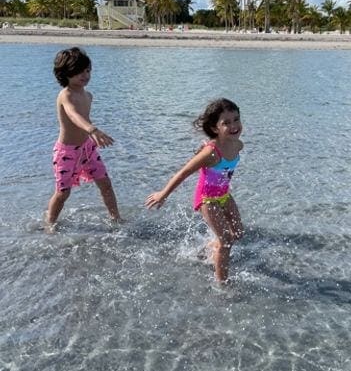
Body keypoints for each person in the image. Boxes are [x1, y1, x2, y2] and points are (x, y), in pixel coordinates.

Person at [145, 98, 244, 284]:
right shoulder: (211, 153)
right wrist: (163, 194)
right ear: (215, 128)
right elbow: (183, 173)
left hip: (224, 195)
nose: (234, 126)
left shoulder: (238, 145)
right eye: (226, 122)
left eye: (236, 119)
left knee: (237, 233)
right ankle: (222, 285)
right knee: (227, 241)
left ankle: (208, 250)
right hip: (207, 199)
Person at [46, 47, 121, 230]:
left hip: (87, 148)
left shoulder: (88, 95)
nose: (85, 75)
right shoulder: (66, 95)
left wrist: (91, 135)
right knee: (63, 193)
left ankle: (116, 219)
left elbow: (84, 118)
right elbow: (73, 116)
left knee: (105, 183)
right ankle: (49, 223)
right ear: (65, 74)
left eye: (87, 71)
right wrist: (92, 129)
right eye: (79, 72)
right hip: (67, 152)